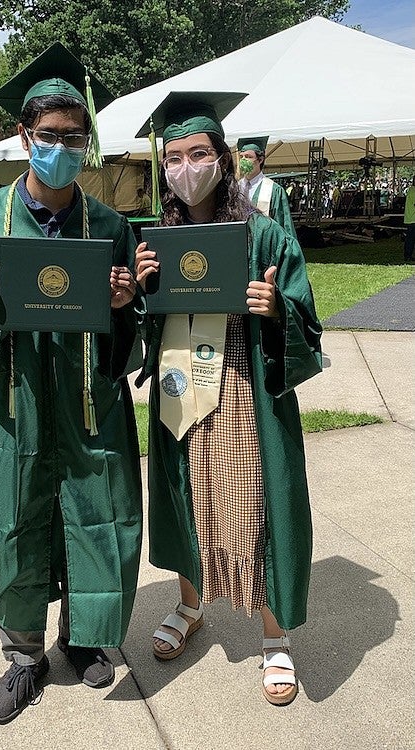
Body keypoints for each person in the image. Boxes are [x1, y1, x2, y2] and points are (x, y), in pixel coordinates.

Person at [0, 42, 143, 724]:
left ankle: (84, 638)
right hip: (16, 405)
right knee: (16, 519)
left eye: (75, 138)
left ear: (85, 143)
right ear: (24, 136)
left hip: (88, 404)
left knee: (95, 513)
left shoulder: (109, 226)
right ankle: (23, 657)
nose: (62, 148)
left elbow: (135, 322)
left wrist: (122, 302)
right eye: (49, 136)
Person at [135, 92, 322, 706]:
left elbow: (303, 313)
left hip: (244, 386)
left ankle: (274, 637)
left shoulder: (263, 234)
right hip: (181, 380)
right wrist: (140, 290)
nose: (186, 168)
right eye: (174, 157)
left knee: (254, 504)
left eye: (199, 154)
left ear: (224, 159)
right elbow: (142, 323)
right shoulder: (158, 240)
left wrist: (277, 310)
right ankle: (191, 609)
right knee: (188, 497)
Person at [237, 136, 297, 237]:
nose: (243, 160)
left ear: (260, 159)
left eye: (248, 157)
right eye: (241, 156)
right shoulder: (235, 188)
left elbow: (283, 225)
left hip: (264, 244)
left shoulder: (274, 190)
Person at [403, 176, 415, 261]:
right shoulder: (413, 191)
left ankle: (408, 255)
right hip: (413, 218)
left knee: (410, 238)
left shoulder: (411, 190)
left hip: (410, 218)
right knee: (410, 239)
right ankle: (408, 255)